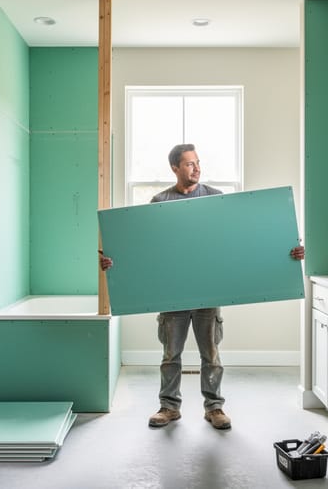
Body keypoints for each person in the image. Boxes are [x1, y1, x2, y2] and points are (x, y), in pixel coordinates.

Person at [100, 143, 304, 430]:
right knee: (171, 355)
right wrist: (115, 262)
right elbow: (145, 247)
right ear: (175, 168)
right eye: (189, 164)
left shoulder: (215, 198)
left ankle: (214, 408)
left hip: (209, 294)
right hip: (173, 295)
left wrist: (285, 252)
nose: (196, 168)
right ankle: (169, 407)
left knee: (211, 354)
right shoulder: (160, 201)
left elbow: (239, 241)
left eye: (198, 162)